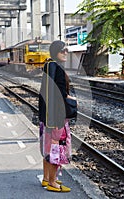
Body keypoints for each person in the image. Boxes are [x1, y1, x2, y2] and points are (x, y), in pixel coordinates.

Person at [38, 40, 76, 192]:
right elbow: (57, 97)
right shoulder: (56, 69)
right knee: (56, 148)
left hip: (47, 116)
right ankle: (53, 183)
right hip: (55, 117)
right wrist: (55, 120)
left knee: (48, 147)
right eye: (63, 50)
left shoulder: (49, 66)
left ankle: (47, 179)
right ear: (55, 52)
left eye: (67, 50)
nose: (66, 52)